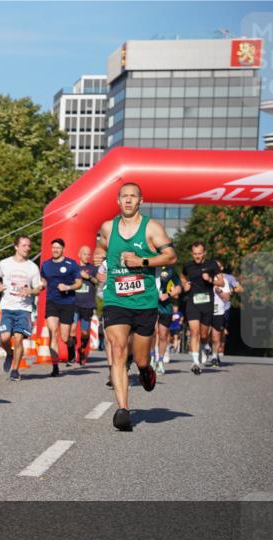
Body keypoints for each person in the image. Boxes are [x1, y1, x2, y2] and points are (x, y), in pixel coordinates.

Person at [93, 182, 176, 432]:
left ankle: (145, 369)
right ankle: (123, 410)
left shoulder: (152, 228)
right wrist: (99, 257)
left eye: (133, 197)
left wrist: (144, 260)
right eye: (124, 197)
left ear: (141, 201)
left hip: (144, 301)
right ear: (117, 200)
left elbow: (170, 256)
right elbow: (101, 246)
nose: (128, 200)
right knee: (117, 348)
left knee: (140, 358)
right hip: (116, 298)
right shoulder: (109, 227)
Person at [0, 235, 43, 381]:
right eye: (24, 245)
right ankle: (9, 353)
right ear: (16, 247)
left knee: (18, 338)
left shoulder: (32, 267)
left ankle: (15, 370)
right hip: (7, 306)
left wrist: (30, 291)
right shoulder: (4, 263)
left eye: (29, 245)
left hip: (24, 308)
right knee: (5, 338)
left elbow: (38, 288)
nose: (27, 248)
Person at [40, 239, 83, 376]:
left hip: (67, 303)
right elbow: (43, 281)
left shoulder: (71, 264)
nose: (55, 250)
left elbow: (79, 283)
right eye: (53, 248)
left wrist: (68, 287)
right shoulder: (46, 265)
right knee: (53, 332)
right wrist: (39, 286)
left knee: (65, 337)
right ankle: (55, 367)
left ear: (63, 249)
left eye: (58, 248)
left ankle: (71, 347)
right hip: (52, 302)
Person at [180, 241, 223, 375]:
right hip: (192, 302)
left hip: (207, 303)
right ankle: (195, 362)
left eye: (199, 253)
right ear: (192, 254)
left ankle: (205, 346)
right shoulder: (187, 265)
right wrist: (184, 285)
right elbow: (182, 276)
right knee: (194, 331)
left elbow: (221, 282)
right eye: (194, 254)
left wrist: (210, 280)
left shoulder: (212, 265)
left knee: (204, 334)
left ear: (204, 253)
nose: (197, 256)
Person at [153, 264, 182, 374]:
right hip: (151, 304)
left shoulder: (170, 270)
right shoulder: (149, 265)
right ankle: (151, 359)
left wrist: (168, 294)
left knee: (163, 335)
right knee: (152, 332)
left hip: (165, 307)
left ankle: (160, 361)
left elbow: (179, 287)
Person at [74, 245, 99, 366]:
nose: (87, 256)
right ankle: (72, 353)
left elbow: (97, 282)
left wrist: (88, 277)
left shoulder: (93, 269)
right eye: (84, 253)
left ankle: (82, 350)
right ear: (79, 254)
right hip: (74, 303)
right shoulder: (73, 268)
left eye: (89, 254)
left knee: (85, 332)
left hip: (87, 304)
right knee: (72, 330)